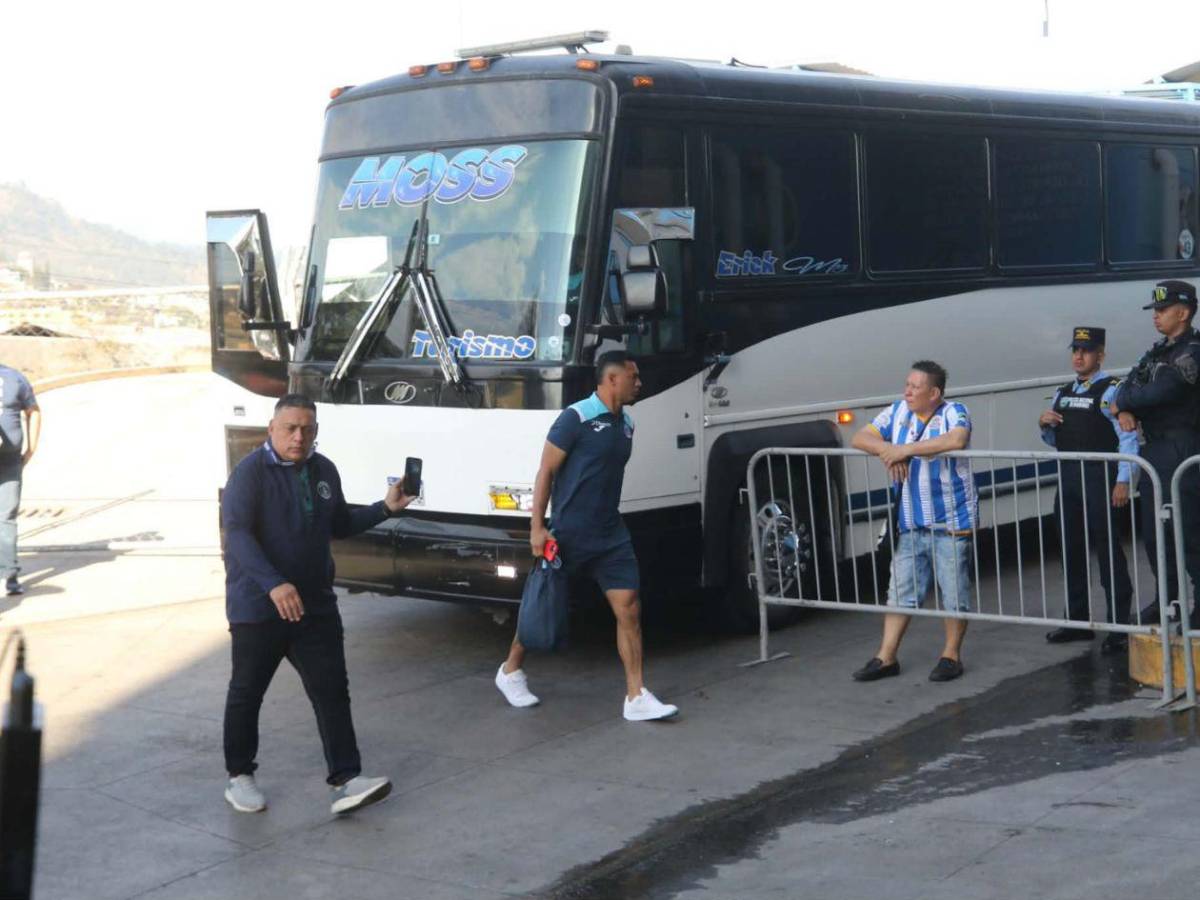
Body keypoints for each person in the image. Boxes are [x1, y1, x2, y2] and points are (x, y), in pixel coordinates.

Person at [221, 393, 414, 815]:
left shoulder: (323, 470)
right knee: (247, 692)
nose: (298, 436)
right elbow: (236, 535)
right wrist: (274, 584)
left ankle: (346, 779)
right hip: (259, 607)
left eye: (307, 428)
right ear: (271, 428)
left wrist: (385, 508)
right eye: (290, 427)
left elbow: (340, 523)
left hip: (315, 606)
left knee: (332, 691)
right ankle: (240, 776)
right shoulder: (249, 474)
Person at [495, 351, 678, 721]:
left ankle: (635, 696)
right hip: (567, 535)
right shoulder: (575, 419)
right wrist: (537, 527)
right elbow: (545, 472)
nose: (639, 382)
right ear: (612, 380)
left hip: (610, 534)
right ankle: (511, 670)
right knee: (542, 609)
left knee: (629, 609)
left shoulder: (626, 424)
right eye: (633, 376)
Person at [850, 361, 977, 683]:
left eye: (915, 387)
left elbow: (956, 440)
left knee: (953, 592)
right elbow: (860, 438)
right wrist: (889, 451)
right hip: (910, 520)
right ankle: (886, 657)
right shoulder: (897, 411)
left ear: (934, 393)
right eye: (907, 384)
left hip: (951, 520)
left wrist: (904, 450)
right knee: (901, 590)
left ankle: (951, 655)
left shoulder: (954, 411)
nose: (907, 391)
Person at [1038, 327, 1137, 653]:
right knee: (1070, 549)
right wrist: (1045, 424)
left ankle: (1119, 626)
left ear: (1101, 355)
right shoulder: (1063, 391)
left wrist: (1123, 479)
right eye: (1076, 350)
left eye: (1087, 350)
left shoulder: (1112, 391)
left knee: (1108, 549)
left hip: (1100, 477)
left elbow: (1128, 439)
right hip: (1068, 477)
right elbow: (1055, 440)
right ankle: (1077, 621)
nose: (1079, 356)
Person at [1111, 279, 1200, 625]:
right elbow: (1126, 387)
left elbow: (1160, 393)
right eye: (1156, 311)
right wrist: (1124, 407)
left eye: (1163, 310)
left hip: (1183, 446)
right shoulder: (1157, 352)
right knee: (1155, 532)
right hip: (1155, 450)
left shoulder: (1192, 351)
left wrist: (1128, 404)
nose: (1156, 316)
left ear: (1184, 311)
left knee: (1189, 530)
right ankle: (1168, 600)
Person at [0, 364, 40, 597]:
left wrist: (31, 449)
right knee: (6, 516)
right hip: (12, 458)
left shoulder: (15, 378)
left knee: (7, 516)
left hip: (9, 461)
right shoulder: (15, 377)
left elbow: (33, 410)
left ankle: (10, 575)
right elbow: (33, 411)